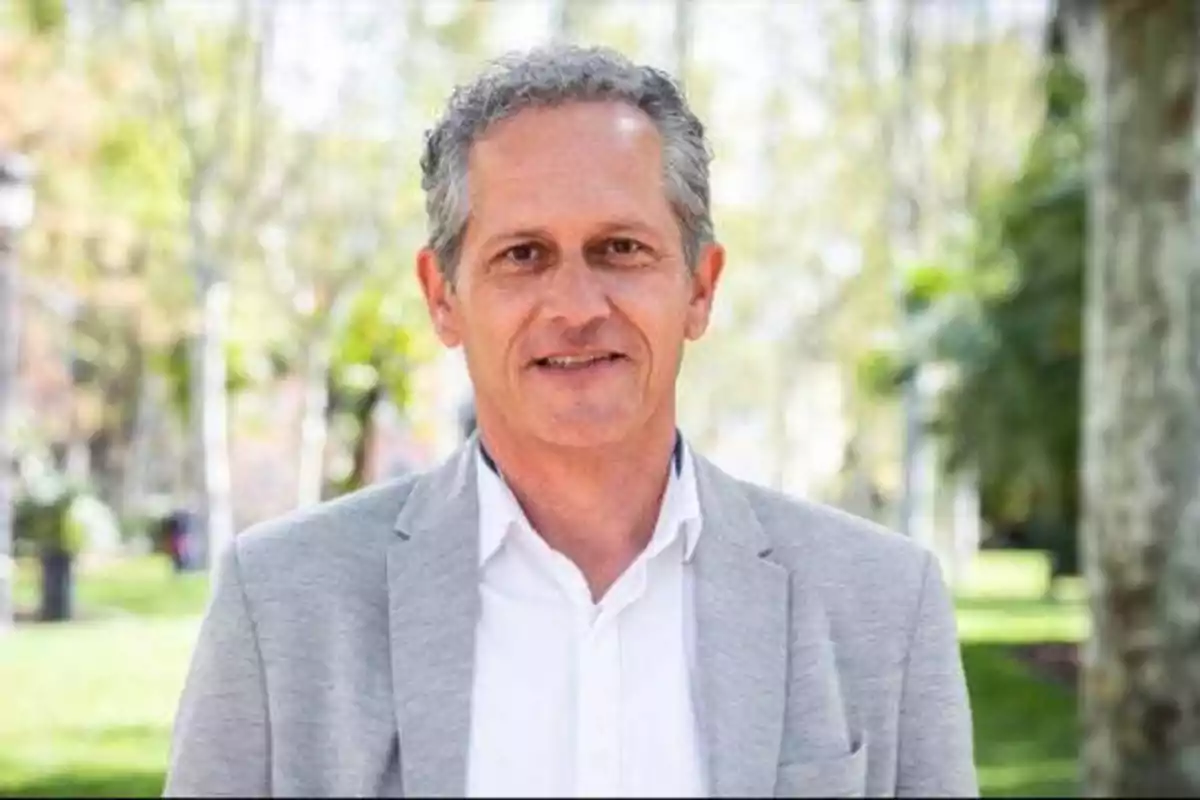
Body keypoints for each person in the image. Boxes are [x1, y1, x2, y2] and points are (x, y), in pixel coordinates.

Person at [164, 45, 977, 798]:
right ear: (443, 297)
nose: (578, 308)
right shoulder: (280, 604)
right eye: (523, 255)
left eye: (621, 248)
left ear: (700, 287)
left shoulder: (882, 603)